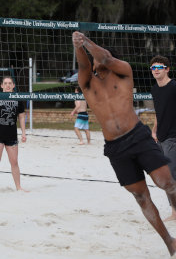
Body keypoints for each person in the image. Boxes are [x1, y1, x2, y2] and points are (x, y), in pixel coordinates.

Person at [72, 31, 176, 256]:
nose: (95, 59)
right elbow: (83, 66)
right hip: (115, 148)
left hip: (138, 136)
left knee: (165, 182)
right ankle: (169, 241)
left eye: (97, 54)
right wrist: (78, 46)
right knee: (141, 196)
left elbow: (107, 59)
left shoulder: (123, 73)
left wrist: (87, 42)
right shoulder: (88, 83)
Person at [0, 77, 27, 193]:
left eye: (10, 83)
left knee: (14, 162)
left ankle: (18, 187)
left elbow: (21, 117)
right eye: (5, 83)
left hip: (11, 134)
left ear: (13, 85)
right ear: (2, 86)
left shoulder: (18, 99)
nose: (7, 85)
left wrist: (23, 133)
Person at [150, 55, 176, 222]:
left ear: (167, 69)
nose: (156, 70)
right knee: (168, 176)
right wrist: (154, 130)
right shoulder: (155, 89)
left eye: (160, 67)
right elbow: (159, 113)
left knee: (170, 176)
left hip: (174, 137)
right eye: (153, 67)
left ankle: (175, 213)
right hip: (161, 137)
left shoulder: (174, 86)